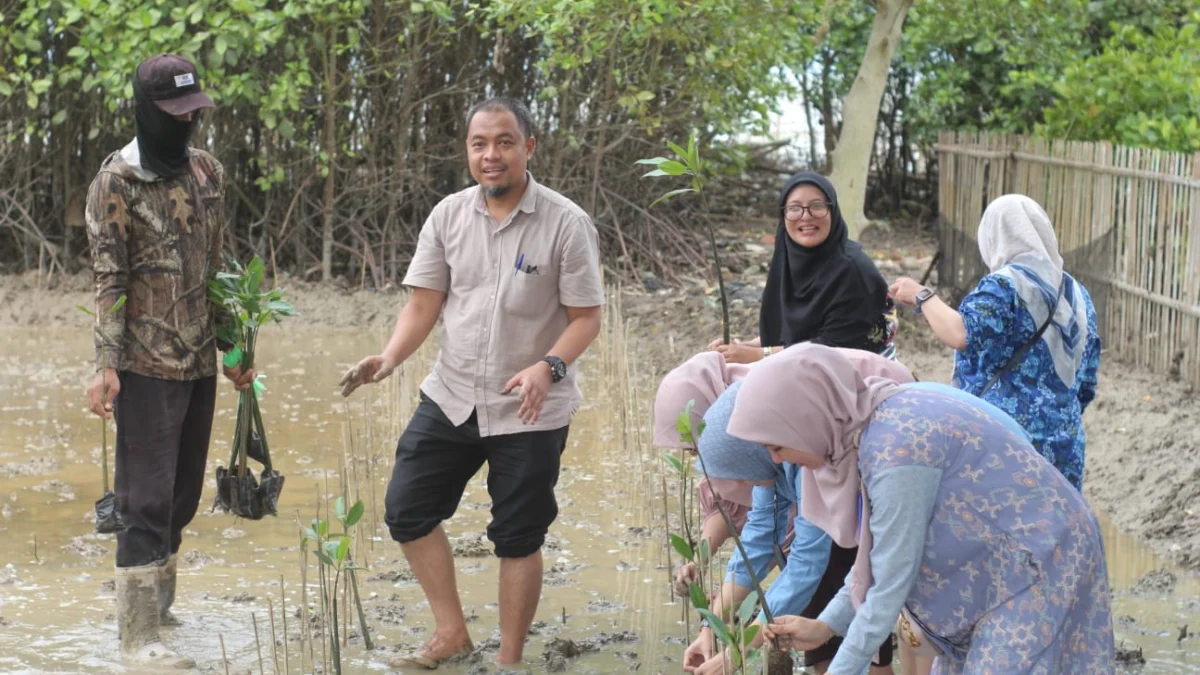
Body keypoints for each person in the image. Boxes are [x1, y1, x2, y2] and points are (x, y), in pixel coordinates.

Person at [339, 98, 604, 669]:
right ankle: (452, 630)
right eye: (479, 144)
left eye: (505, 142)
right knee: (406, 509)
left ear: (528, 148)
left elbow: (586, 318)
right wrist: (387, 358)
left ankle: (508, 659)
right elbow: (423, 304)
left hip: (530, 410)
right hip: (452, 395)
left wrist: (547, 367)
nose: (491, 155)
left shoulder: (566, 223)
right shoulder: (448, 216)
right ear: (468, 151)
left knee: (518, 535)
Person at [730, 344, 1115, 674]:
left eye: (777, 447)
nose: (779, 462)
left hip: (1040, 558)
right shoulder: (865, 428)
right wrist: (826, 626)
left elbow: (890, 585)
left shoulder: (896, 449)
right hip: (999, 565)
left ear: (808, 420)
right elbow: (878, 559)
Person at [84, 54, 255, 668]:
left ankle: (159, 609)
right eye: (173, 114)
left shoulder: (207, 173)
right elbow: (109, 279)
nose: (185, 125)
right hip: (143, 364)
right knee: (146, 501)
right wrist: (105, 364)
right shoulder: (116, 183)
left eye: (193, 113)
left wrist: (235, 346)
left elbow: (217, 269)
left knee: (182, 497)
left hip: (199, 361)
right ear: (145, 108)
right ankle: (137, 639)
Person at [679, 348, 913, 675]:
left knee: (889, 626)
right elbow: (759, 539)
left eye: (740, 472)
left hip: (883, 497)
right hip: (863, 520)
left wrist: (742, 648)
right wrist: (711, 627)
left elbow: (808, 561)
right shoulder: (772, 459)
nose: (743, 483)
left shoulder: (802, 457)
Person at [889, 194, 1101, 489]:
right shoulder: (1078, 295)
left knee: (998, 530)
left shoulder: (1005, 285)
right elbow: (1087, 382)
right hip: (1066, 449)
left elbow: (961, 333)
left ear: (992, 237)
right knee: (1054, 532)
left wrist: (922, 295)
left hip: (1005, 444)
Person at [709, 172, 896, 364]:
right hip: (802, 366)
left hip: (859, 374)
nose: (806, 216)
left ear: (833, 210)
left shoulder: (853, 269)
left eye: (817, 206)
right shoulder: (788, 260)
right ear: (783, 214)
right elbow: (793, 336)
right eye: (794, 208)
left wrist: (757, 355)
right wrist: (741, 348)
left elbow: (833, 349)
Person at [653, 352, 755, 599]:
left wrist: (728, 600)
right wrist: (698, 562)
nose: (689, 453)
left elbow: (784, 535)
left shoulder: (760, 432)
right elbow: (728, 503)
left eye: (691, 443)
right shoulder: (729, 435)